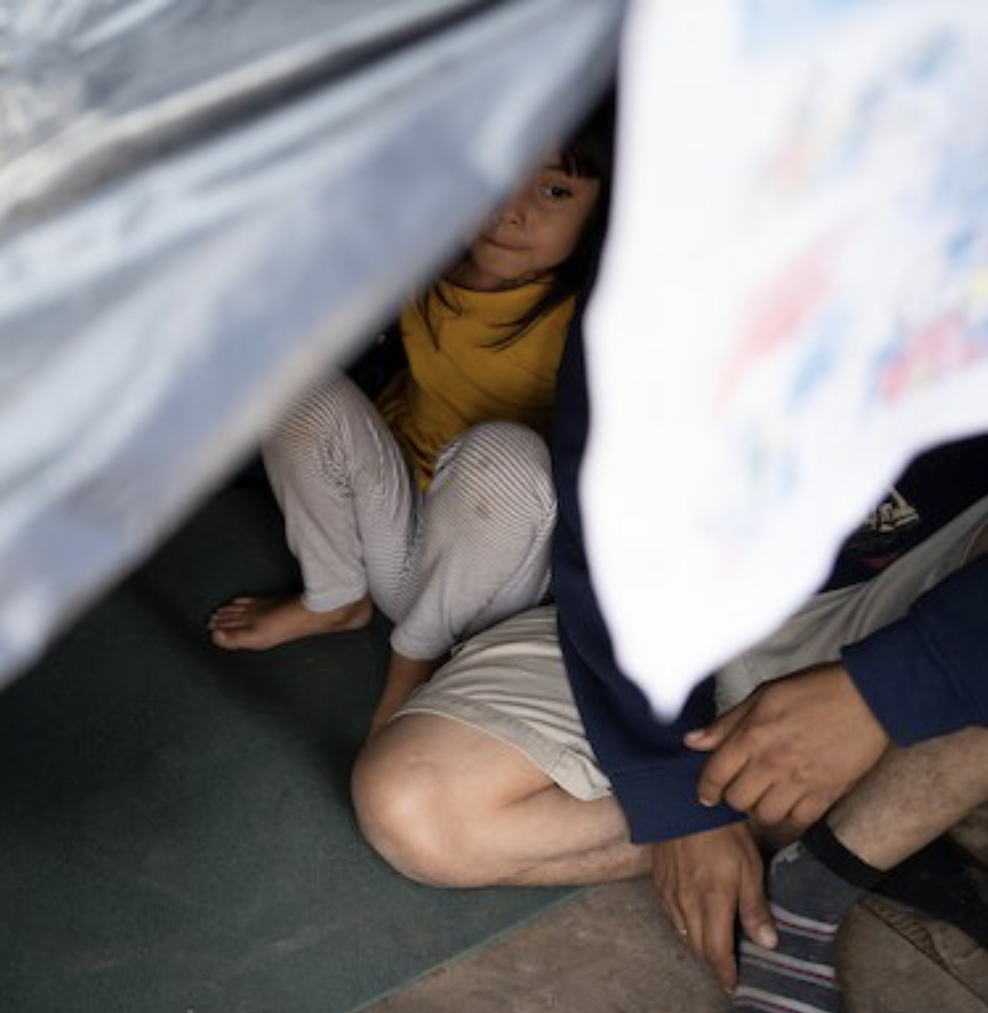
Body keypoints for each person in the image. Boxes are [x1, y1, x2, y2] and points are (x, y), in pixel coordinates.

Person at [351, 307, 988, 1012]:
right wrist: (678, 801)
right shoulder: (689, 261)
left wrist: (883, 691)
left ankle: (822, 879)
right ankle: (831, 815)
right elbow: (608, 518)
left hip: (927, 574)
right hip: (684, 593)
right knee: (414, 807)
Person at [207, 97, 614, 734]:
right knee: (288, 380)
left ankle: (414, 665)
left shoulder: (593, 317)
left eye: (555, 190)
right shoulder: (426, 258)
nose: (511, 209)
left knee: (504, 454)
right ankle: (336, 596)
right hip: (388, 537)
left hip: (489, 577)